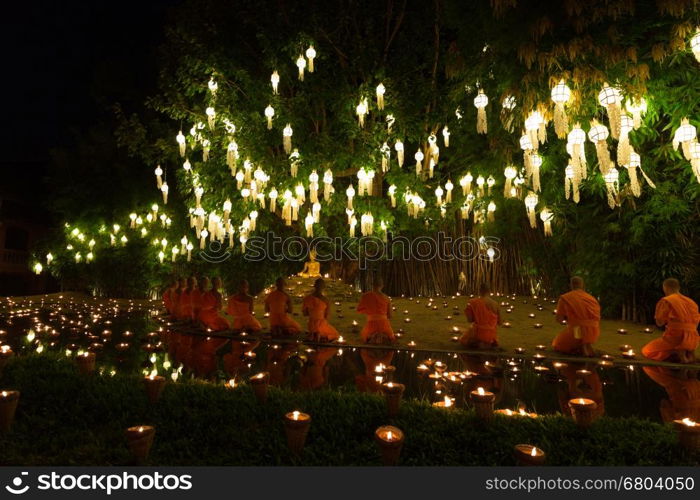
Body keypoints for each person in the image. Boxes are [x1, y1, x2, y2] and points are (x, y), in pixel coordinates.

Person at [642, 278, 699, 364]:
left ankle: (680, 354)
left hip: (675, 336)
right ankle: (687, 353)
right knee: (681, 342)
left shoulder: (667, 301)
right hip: (693, 337)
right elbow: (696, 322)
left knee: (647, 350)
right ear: (678, 288)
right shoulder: (691, 302)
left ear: (665, 288)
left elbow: (660, 323)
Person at [552, 276, 600, 357]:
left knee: (557, 344)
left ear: (571, 285)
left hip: (576, 332)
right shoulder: (592, 298)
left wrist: (568, 320)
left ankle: (581, 346)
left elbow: (559, 319)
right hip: (593, 332)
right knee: (580, 328)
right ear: (582, 285)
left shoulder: (565, 298)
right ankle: (586, 344)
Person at [459, 283, 501, 349]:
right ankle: (488, 343)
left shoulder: (472, 302)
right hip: (491, 334)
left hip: (478, 333)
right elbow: (500, 322)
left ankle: (479, 343)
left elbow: (470, 320)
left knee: (463, 339)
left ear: (480, 291)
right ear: (489, 291)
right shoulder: (495, 304)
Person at [356, 277, 395, 344]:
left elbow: (359, 310)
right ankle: (382, 336)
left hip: (371, 323)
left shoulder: (366, 296)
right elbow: (390, 315)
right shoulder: (386, 298)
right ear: (382, 286)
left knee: (366, 336)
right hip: (384, 324)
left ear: (372, 285)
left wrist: (370, 312)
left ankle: (373, 336)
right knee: (390, 337)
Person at [302, 278, 340, 342]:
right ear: (323, 287)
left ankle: (314, 334)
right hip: (321, 324)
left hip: (311, 324)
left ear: (314, 286)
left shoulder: (307, 298)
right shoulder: (325, 300)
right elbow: (326, 316)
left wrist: (312, 313)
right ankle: (321, 335)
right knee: (336, 334)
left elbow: (305, 314)